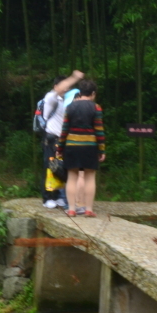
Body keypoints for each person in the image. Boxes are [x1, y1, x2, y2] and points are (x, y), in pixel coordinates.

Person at [57, 78, 106, 217]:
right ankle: (88, 209)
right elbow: (99, 131)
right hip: (90, 146)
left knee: (72, 177)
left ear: (80, 92)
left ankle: (72, 209)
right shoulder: (96, 107)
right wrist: (101, 149)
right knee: (90, 177)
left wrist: (60, 149)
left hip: (71, 145)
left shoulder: (70, 107)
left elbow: (64, 130)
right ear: (93, 93)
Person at [41, 70, 83, 208]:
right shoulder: (51, 98)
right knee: (50, 167)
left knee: (63, 168)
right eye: (64, 85)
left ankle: (60, 196)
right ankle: (48, 198)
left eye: (68, 86)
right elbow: (58, 90)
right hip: (52, 138)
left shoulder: (69, 100)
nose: (66, 88)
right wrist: (74, 77)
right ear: (56, 87)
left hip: (64, 139)